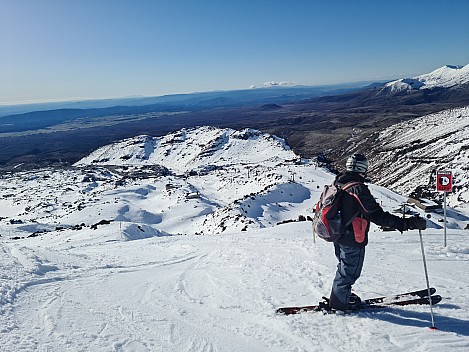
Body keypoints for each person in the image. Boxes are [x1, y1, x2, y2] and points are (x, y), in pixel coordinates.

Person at [328, 153, 427, 311]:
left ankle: (342, 294)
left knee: (344, 267)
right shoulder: (357, 189)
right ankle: (340, 303)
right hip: (353, 237)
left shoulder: (339, 182)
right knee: (349, 272)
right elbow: (377, 216)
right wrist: (407, 223)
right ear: (364, 168)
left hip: (338, 234)